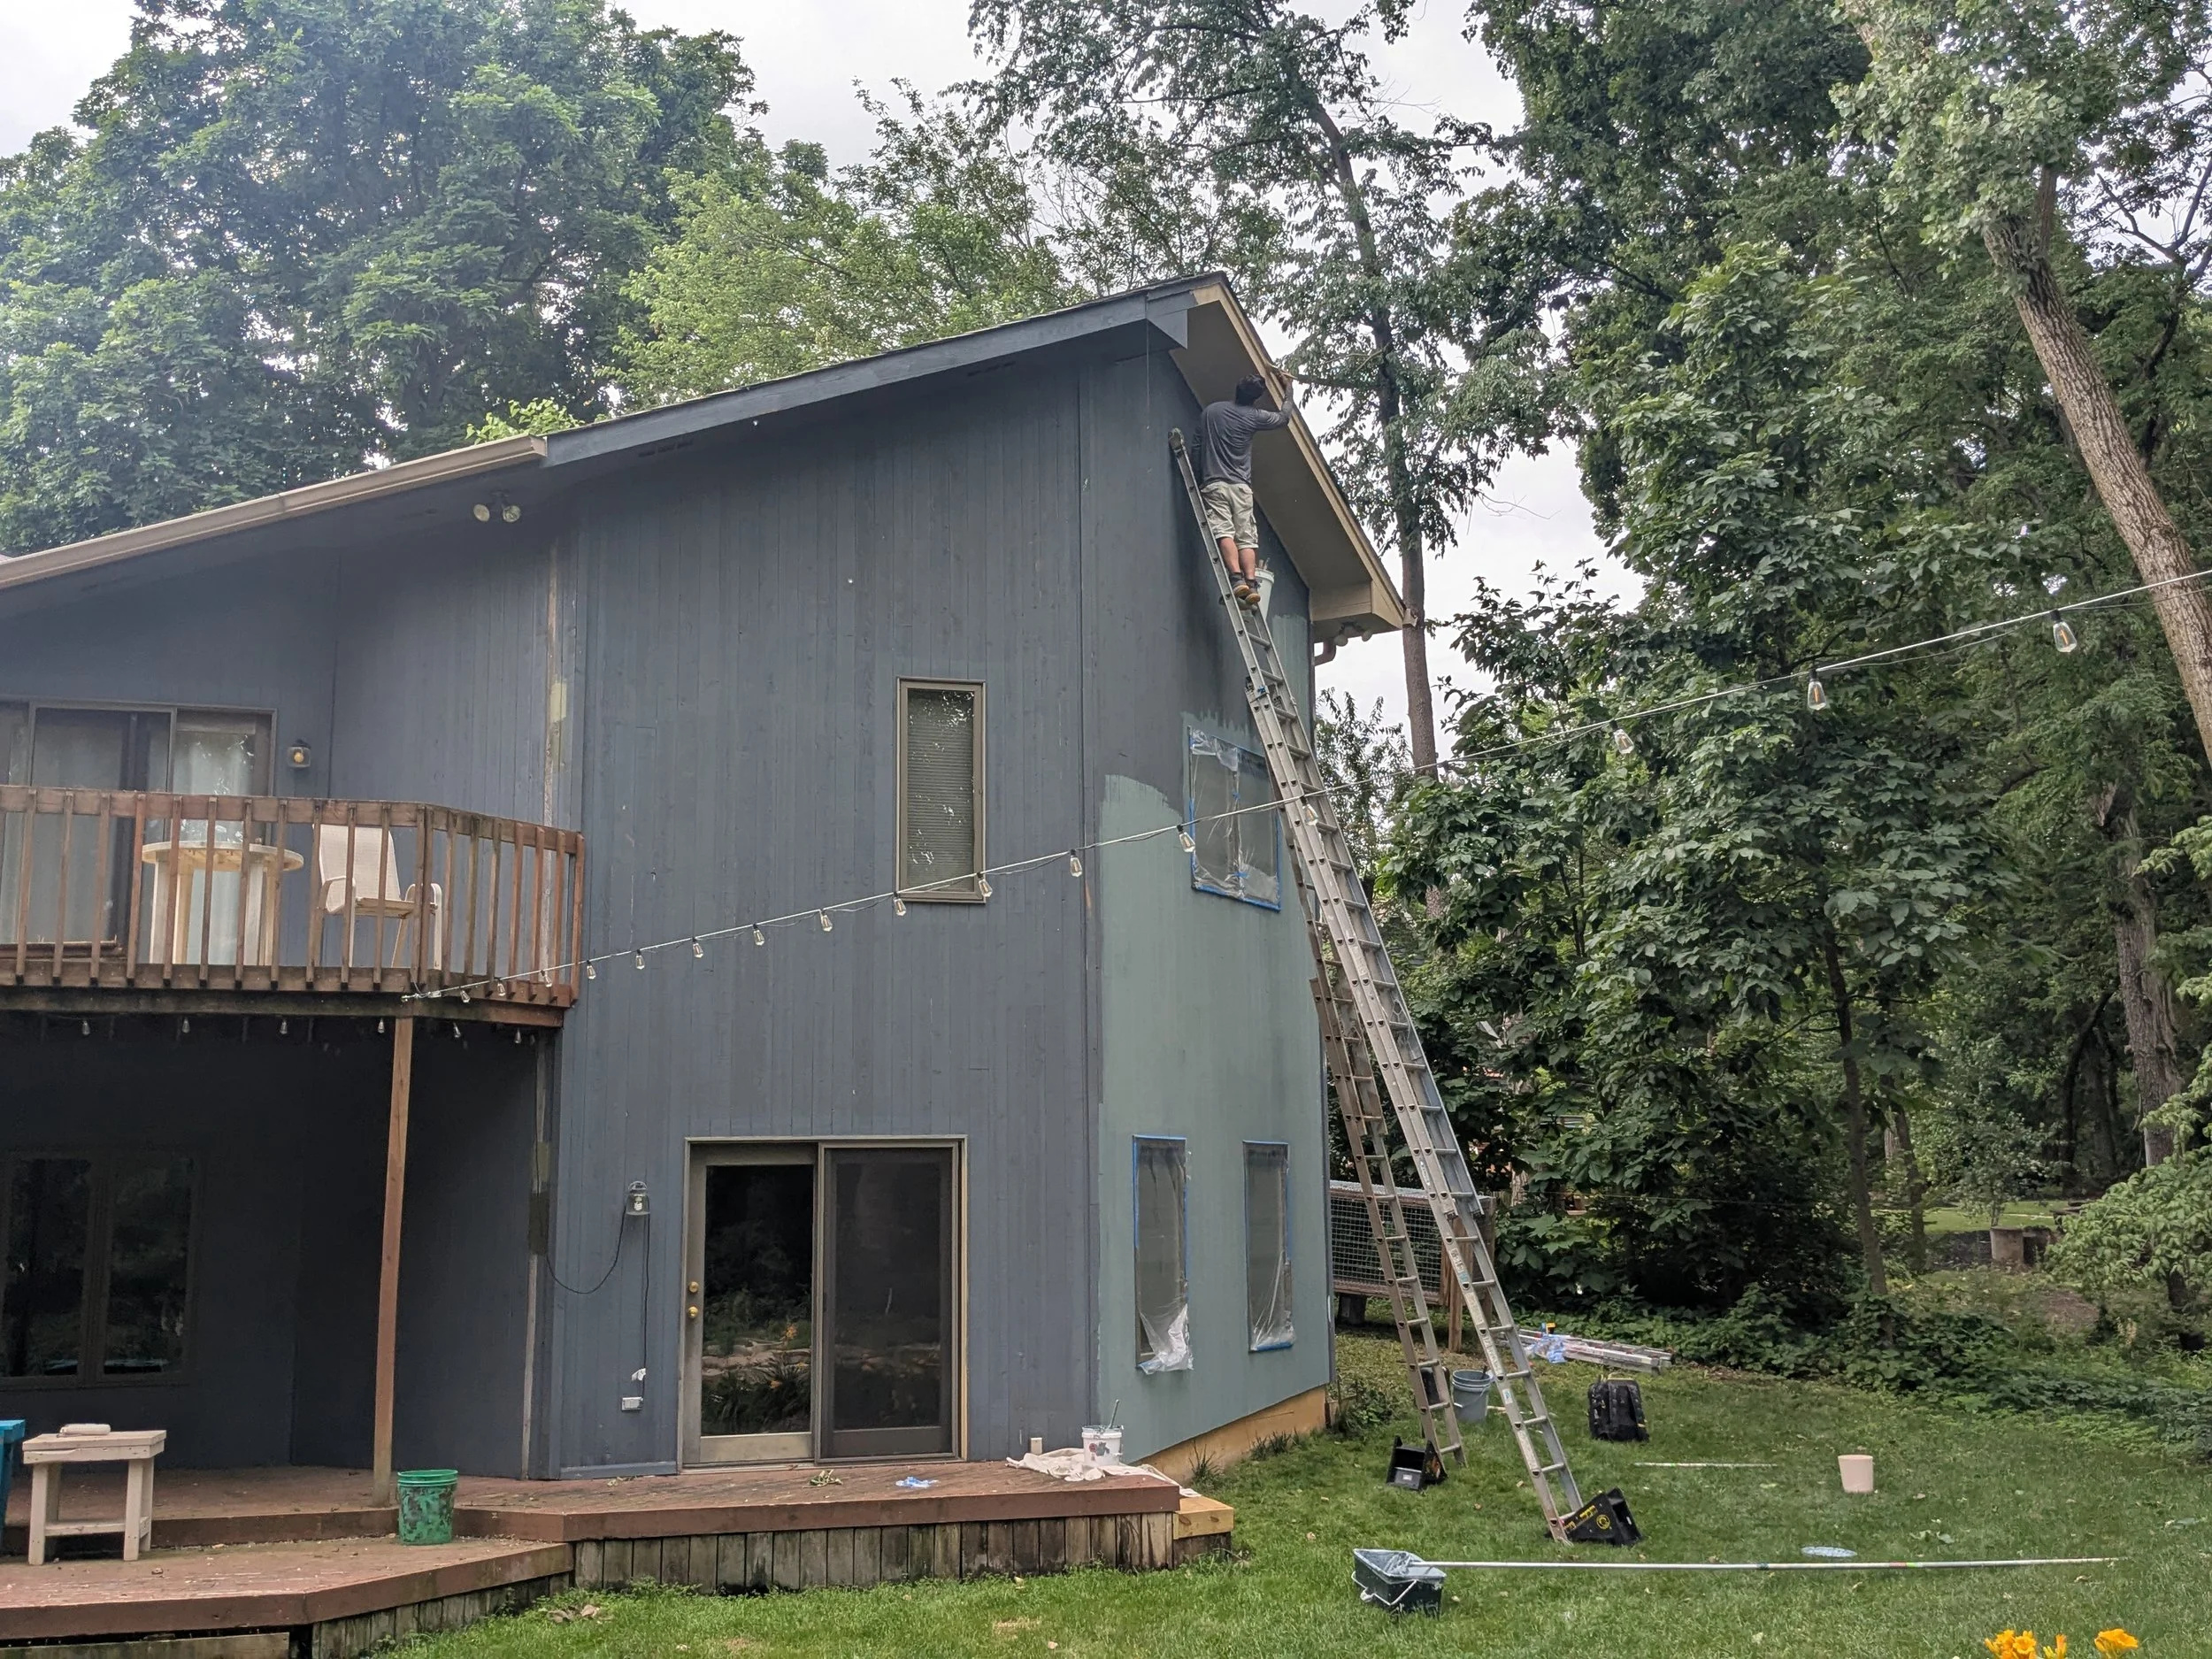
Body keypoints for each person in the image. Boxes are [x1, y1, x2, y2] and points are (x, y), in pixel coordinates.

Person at [1198, 373, 1294, 607]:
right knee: (1246, 538)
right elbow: (1283, 418)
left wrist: (1198, 474)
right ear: (1255, 398)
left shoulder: (1212, 411)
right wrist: (1288, 389)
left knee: (1224, 532)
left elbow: (1197, 443)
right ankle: (1251, 583)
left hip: (1215, 483)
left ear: (1237, 390)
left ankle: (1236, 578)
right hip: (1241, 487)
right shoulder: (1255, 416)